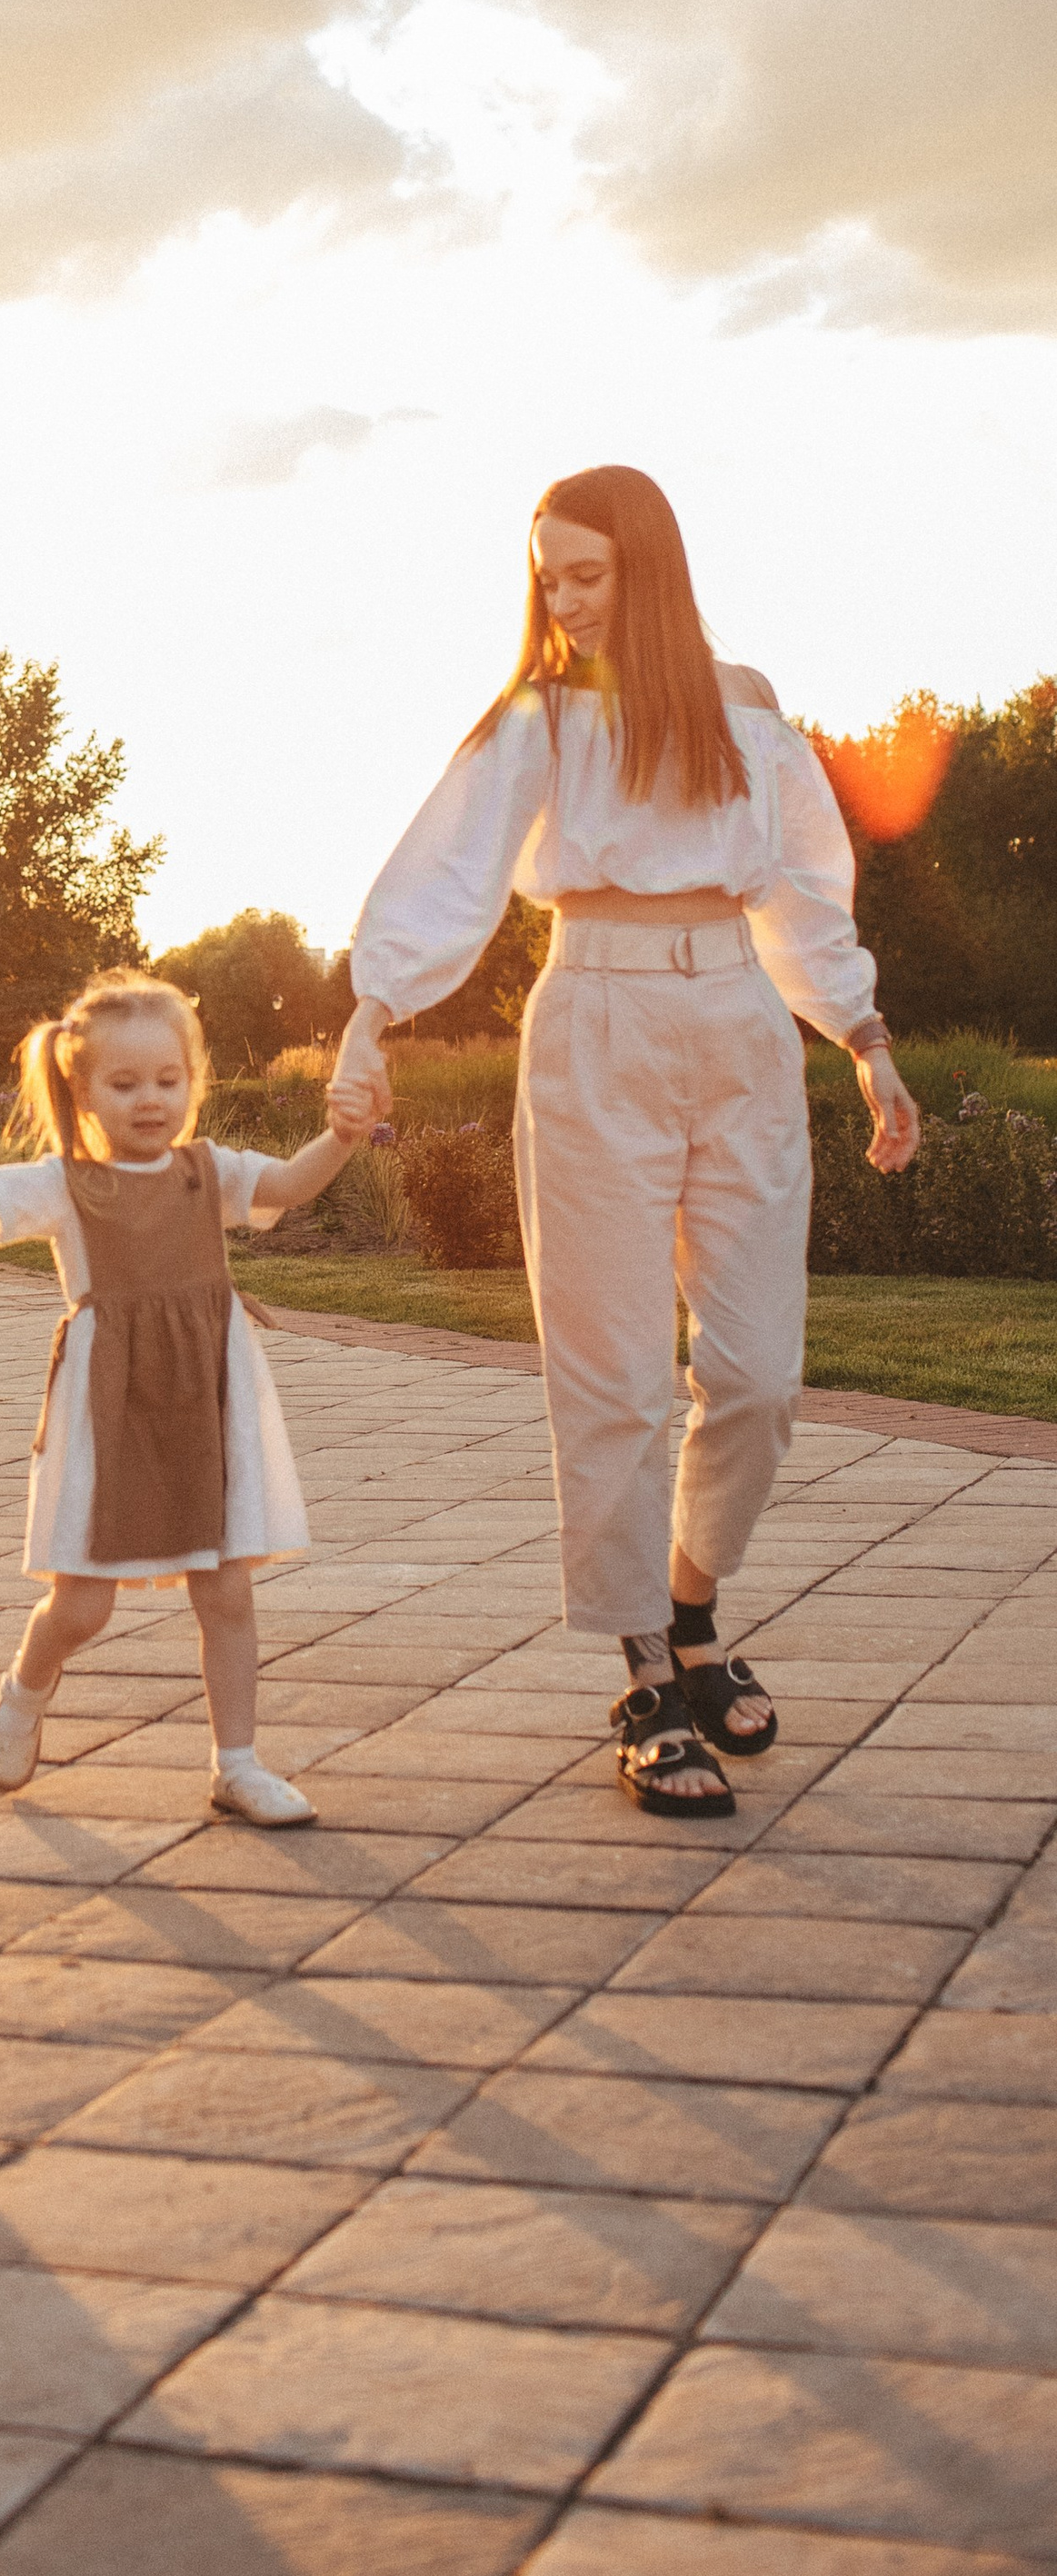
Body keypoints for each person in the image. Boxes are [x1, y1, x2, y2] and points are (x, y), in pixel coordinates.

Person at [328, 464, 919, 1820]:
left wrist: (868, 1043)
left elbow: (804, 896)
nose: (563, 597)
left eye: (586, 572)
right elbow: (447, 871)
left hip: (739, 1025)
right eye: (548, 574)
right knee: (610, 1374)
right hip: (591, 1020)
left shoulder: (749, 710)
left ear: (648, 569)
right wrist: (371, 1016)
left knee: (760, 1374)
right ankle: (651, 1669)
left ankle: (695, 1601)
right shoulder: (539, 719)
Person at [0, 970, 364, 1827]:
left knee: (226, 1589)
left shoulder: (211, 1173)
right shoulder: (65, 1185)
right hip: (109, 1409)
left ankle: (236, 1763)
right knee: (85, 1603)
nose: (150, 1100)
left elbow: (290, 1183)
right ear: (83, 1091)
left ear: (193, 1082)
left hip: (207, 1401)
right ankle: (26, 1686)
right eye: (124, 1085)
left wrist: (342, 1136)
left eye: (169, 1080)